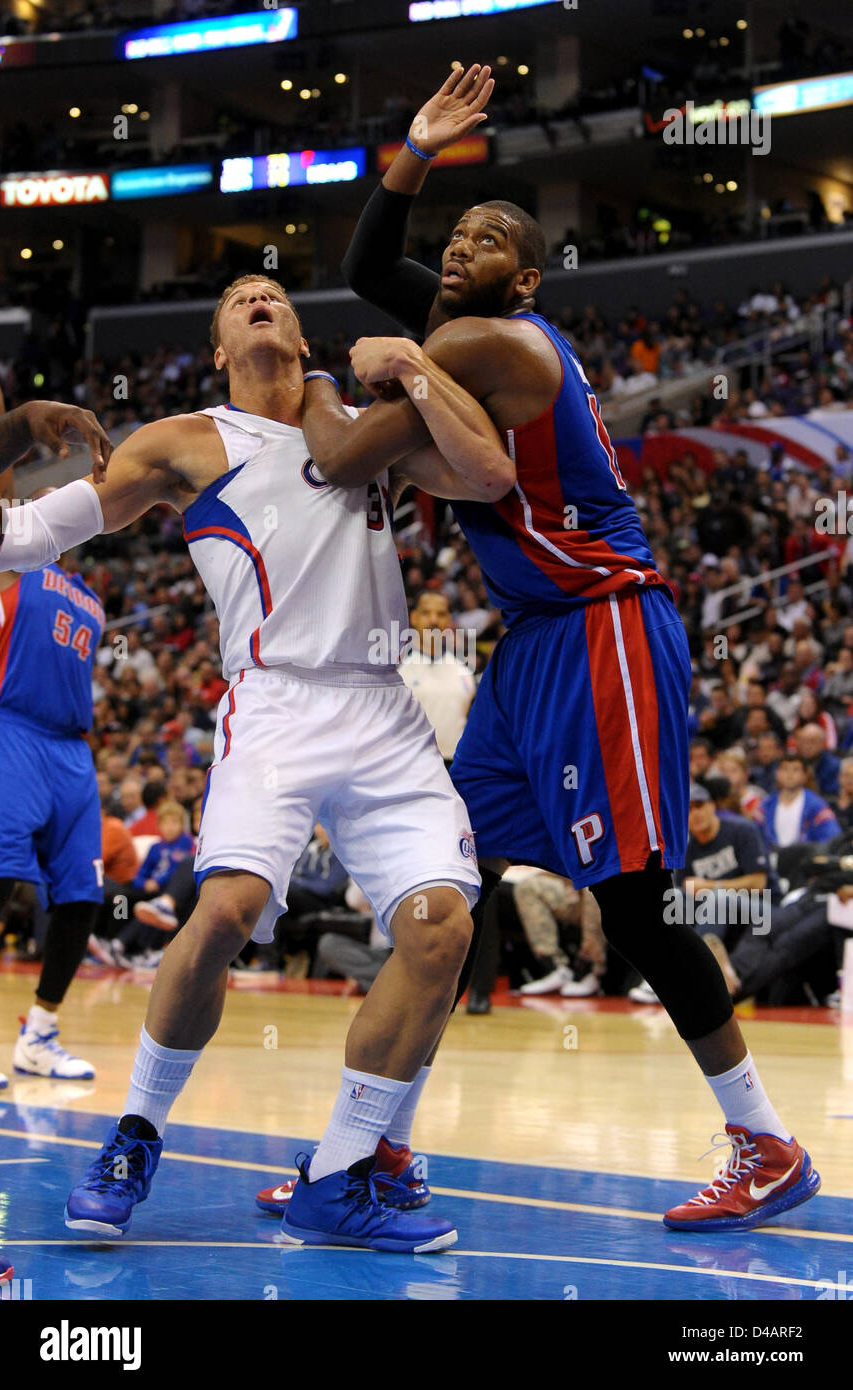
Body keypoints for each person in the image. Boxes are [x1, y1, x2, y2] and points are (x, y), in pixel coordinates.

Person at [304, 62, 821, 1232]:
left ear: (523, 277)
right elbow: (360, 268)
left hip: (604, 627)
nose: (458, 242)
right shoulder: (453, 334)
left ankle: (764, 1141)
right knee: (444, 877)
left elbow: (342, 454)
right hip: (532, 643)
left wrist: (363, 375)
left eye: (485, 237)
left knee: (633, 900)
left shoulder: (503, 344)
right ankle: (379, 1148)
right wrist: (418, 150)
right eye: (456, 230)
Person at [0, 272, 514, 1251]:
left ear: (304, 331)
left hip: (381, 709)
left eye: (275, 289)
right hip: (272, 705)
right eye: (239, 295)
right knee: (225, 907)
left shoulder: (363, 427)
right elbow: (36, 532)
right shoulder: (179, 441)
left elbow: (488, 472)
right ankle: (135, 1135)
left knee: (442, 927)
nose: (260, 295)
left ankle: (338, 1170)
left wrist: (416, 367)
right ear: (219, 344)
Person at [0, 393, 112, 1093]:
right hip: (8, 729)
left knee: (81, 896)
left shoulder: (87, 592)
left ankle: (39, 1035)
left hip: (72, 751)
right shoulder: (5, 559)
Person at [398, 589, 475, 763]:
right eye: (426, 613)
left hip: (455, 767)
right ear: (414, 617)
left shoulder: (464, 672)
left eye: (440, 614)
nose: (433, 620)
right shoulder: (397, 669)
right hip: (411, 765)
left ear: (448, 619)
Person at [760, 754, 841, 848]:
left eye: (795, 770)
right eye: (785, 769)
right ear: (777, 774)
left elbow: (832, 836)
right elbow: (757, 837)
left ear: (805, 776)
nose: (789, 774)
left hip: (805, 859)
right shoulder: (766, 805)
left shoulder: (817, 807)